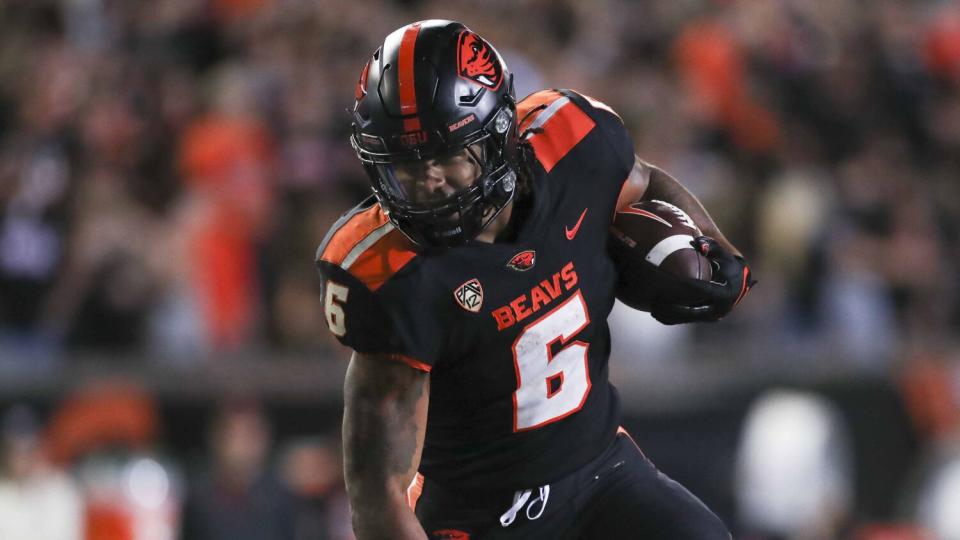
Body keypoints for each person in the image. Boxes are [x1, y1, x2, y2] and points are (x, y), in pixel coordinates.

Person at [316, 20, 754, 539]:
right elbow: (378, 492)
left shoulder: (573, 148)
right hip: (477, 518)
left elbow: (640, 178)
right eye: (405, 169)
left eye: (447, 157)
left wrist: (717, 247)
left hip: (598, 469)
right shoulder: (391, 274)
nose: (427, 182)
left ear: (500, 133)